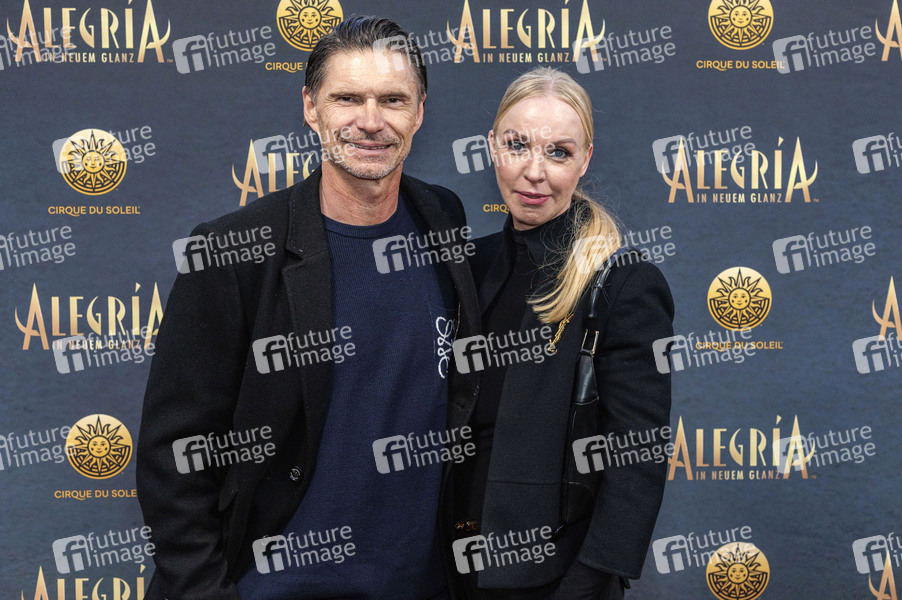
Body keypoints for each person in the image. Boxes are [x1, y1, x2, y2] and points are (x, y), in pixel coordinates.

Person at [136, 16, 480, 600]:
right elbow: (174, 456)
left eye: (393, 100)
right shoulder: (231, 252)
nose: (370, 120)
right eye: (347, 98)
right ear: (310, 107)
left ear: (420, 112)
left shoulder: (442, 218)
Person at [452, 68, 673, 599]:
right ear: (492, 146)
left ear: (585, 160)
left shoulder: (622, 282)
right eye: (517, 145)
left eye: (558, 152)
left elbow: (637, 453)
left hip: (554, 579)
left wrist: (589, 580)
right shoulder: (470, 266)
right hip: (452, 565)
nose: (534, 172)